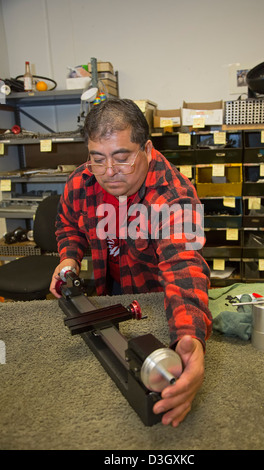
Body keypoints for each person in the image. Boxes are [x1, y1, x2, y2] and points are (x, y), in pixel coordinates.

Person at [50, 98, 212, 427]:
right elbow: (68, 225)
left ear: (147, 149)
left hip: (153, 304)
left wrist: (189, 337)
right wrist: (69, 255)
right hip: (104, 295)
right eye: (98, 159)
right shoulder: (82, 181)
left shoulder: (173, 195)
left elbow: (183, 269)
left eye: (122, 157)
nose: (109, 172)